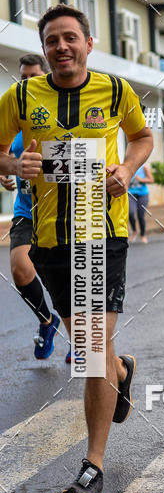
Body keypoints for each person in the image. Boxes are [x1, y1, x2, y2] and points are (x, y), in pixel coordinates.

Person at [0, 3, 153, 493]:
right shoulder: (21, 96)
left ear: (88, 44)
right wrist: (13, 161)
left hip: (99, 231)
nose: (61, 47)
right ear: (44, 51)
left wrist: (127, 170)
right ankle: (121, 371)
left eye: (70, 38)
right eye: (52, 41)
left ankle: (94, 465)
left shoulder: (115, 90)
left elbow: (142, 137)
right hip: (47, 237)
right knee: (92, 348)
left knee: (88, 350)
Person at [0, 53, 67, 361]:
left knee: (71, 277)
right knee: (20, 268)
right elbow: (5, 158)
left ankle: (84, 343)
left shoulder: (60, 111)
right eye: (22, 77)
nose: (26, 82)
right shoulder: (14, 114)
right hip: (28, 210)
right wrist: (9, 171)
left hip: (66, 209)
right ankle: (47, 321)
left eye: (33, 77)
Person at [128, 162, 153, 243]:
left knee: (140, 215)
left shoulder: (144, 167)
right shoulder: (127, 167)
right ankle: (134, 231)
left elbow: (151, 180)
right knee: (130, 213)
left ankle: (142, 235)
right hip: (130, 194)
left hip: (143, 194)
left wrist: (140, 179)